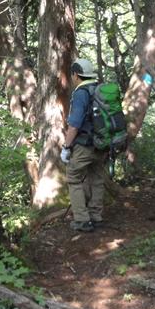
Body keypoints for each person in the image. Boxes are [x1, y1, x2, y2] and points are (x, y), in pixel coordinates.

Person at [61, 58, 107, 233]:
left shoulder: (81, 93)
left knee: (73, 177)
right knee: (97, 178)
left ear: (75, 74)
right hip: (102, 144)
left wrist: (66, 147)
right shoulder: (98, 88)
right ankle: (96, 216)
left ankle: (82, 219)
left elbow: (74, 125)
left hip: (85, 145)